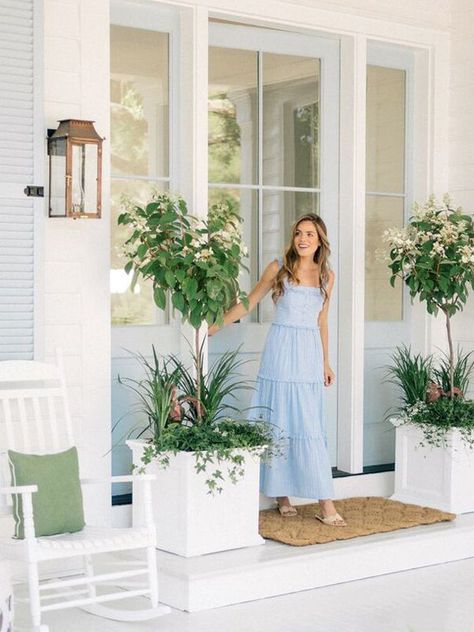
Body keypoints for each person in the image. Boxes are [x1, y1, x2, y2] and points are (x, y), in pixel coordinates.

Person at [208, 213, 346, 527]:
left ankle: (325, 502)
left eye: (310, 234)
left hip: (308, 353)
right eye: (298, 233)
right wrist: (216, 325)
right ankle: (281, 495)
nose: (303, 239)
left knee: (309, 425)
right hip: (281, 350)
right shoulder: (279, 269)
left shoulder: (327, 276)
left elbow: (322, 322)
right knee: (277, 419)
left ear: (320, 240)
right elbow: (250, 302)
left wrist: (325, 361)